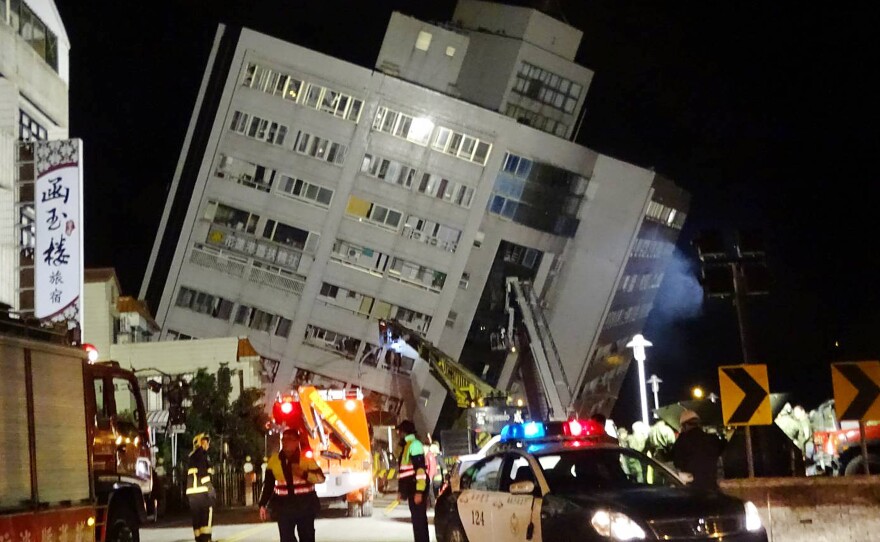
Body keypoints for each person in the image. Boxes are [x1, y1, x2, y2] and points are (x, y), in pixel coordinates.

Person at [259, 429, 326, 542]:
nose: (286, 442)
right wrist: (262, 505)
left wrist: (303, 473)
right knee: (286, 538)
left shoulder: (306, 459)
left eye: (290, 439)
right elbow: (268, 485)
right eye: (284, 439)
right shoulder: (274, 460)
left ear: (297, 442)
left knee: (307, 538)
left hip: (305, 506)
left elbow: (320, 478)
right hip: (284, 507)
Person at [671, 410, 726, 489]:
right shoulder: (712, 439)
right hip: (711, 485)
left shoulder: (682, 442)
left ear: (685, 425)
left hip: (693, 487)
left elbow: (677, 462)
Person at [396, 420, 429, 542]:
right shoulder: (407, 446)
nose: (398, 434)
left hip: (416, 489)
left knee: (419, 521)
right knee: (416, 521)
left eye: (400, 431)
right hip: (412, 489)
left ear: (405, 432)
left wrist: (419, 491)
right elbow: (404, 472)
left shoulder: (414, 445)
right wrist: (401, 491)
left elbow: (420, 469)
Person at [186, 433, 215, 542]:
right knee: (207, 516)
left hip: (192, 494)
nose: (207, 444)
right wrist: (210, 488)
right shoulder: (202, 455)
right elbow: (203, 474)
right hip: (202, 492)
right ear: (200, 443)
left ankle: (199, 539)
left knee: (196, 518)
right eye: (205, 442)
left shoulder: (191, 457)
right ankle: (206, 539)